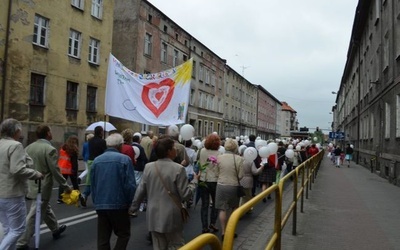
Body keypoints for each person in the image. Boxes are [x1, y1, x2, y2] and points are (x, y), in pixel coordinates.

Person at [129, 137, 198, 249]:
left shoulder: (148, 167)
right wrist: (194, 182)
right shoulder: (178, 169)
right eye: (174, 148)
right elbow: (185, 195)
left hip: (153, 214)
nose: (176, 150)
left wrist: (133, 208)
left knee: (159, 246)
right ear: (169, 151)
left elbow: (140, 190)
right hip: (172, 215)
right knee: (176, 244)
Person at [17, 124, 72, 249]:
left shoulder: (28, 147)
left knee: (44, 208)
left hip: (31, 183)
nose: (51, 133)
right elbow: (55, 171)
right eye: (50, 132)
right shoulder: (49, 149)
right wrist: (65, 186)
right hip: (43, 185)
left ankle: (55, 229)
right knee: (34, 214)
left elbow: (24, 166)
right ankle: (21, 242)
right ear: (48, 134)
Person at [0, 118, 43, 250]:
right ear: (17, 131)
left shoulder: (2, 144)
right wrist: (36, 174)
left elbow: (25, 162)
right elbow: (17, 169)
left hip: (1, 193)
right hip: (13, 193)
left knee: (8, 228)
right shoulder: (15, 146)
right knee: (18, 229)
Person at [91, 133, 137, 250]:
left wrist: (96, 201)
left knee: (103, 238)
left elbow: (93, 184)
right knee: (123, 234)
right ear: (120, 145)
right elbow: (130, 186)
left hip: (101, 204)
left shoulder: (97, 161)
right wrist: (129, 203)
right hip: (119, 204)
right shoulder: (125, 160)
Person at [215, 138, 244, 240]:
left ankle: (223, 231)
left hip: (221, 185)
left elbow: (216, 172)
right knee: (233, 208)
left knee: (222, 209)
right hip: (234, 186)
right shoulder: (239, 159)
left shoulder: (219, 158)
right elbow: (241, 175)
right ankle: (231, 231)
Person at [197, 133, 221, 234]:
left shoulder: (202, 151)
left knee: (204, 204)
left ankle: (204, 227)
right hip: (214, 180)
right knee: (215, 203)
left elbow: (198, 163)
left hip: (203, 179)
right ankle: (213, 222)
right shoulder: (219, 154)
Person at [82, 126, 107, 205]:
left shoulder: (91, 141)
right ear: (100, 132)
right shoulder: (102, 141)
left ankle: (85, 194)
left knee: (90, 179)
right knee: (98, 180)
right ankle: (96, 198)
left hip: (90, 160)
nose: (103, 133)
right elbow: (105, 151)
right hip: (99, 161)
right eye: (102, 131)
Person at [57, 135, 80, 204]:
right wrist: (75, 170)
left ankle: (60, 198)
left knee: (62, 183)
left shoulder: (63, 148)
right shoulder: (73, 150)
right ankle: (78, 196)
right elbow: (74, 162)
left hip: (62, 168)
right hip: (70, 169)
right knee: (75, 183)